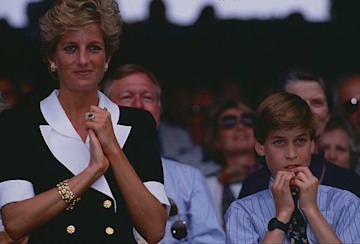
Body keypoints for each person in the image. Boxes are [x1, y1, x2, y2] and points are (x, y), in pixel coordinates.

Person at [0, 1, 169, 243]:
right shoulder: (18, 123)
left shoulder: (137, 124)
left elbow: (154, 230)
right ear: (51, 58)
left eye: (93, 48)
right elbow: (15, 222)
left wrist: (113, 148)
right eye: (70, 48)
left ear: (107, 57)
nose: (83, 60)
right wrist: (91, 172)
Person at [102, 63, 225, 243]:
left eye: (147, 97)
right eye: (127, 97)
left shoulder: (189, 178)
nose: (138, 105)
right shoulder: (90, 174)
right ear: (104, 110)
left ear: (159, 112)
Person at [225, 92, 360, 243]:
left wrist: (311, 210)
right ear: (260, 146)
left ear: (312, 144)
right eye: (279, 142)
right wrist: (282, 215)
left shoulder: (345, 203)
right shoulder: (242, 211)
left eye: (300, 140)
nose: (291, 154)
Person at [239, 67, 360, 198]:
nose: (307, 111)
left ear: (329, 114)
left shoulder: (350, 184)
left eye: (317, 103)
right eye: (296, 102)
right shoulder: (255, 185)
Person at [204, 99, 261, 223]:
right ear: (216, 140)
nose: (240, 126)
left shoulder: (274, 178)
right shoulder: (205, 186)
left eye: (248, 120)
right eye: (229, 122)